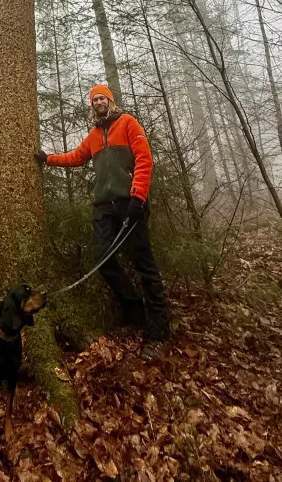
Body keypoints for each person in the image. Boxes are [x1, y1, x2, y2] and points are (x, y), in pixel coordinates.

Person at [34, 84, 170, 360]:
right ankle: (135, 311)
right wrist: (48, 159)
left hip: (130, 202)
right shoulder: (94, 135)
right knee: (102, 257)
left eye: (102, 98)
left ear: (110, 101)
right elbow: (75, 157)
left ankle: (159, 331)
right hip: (103, 206)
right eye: (94, 99)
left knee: (144, 264)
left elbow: (144, 160)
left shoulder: (128, 123)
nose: (97, 102)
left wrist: (138, 197)